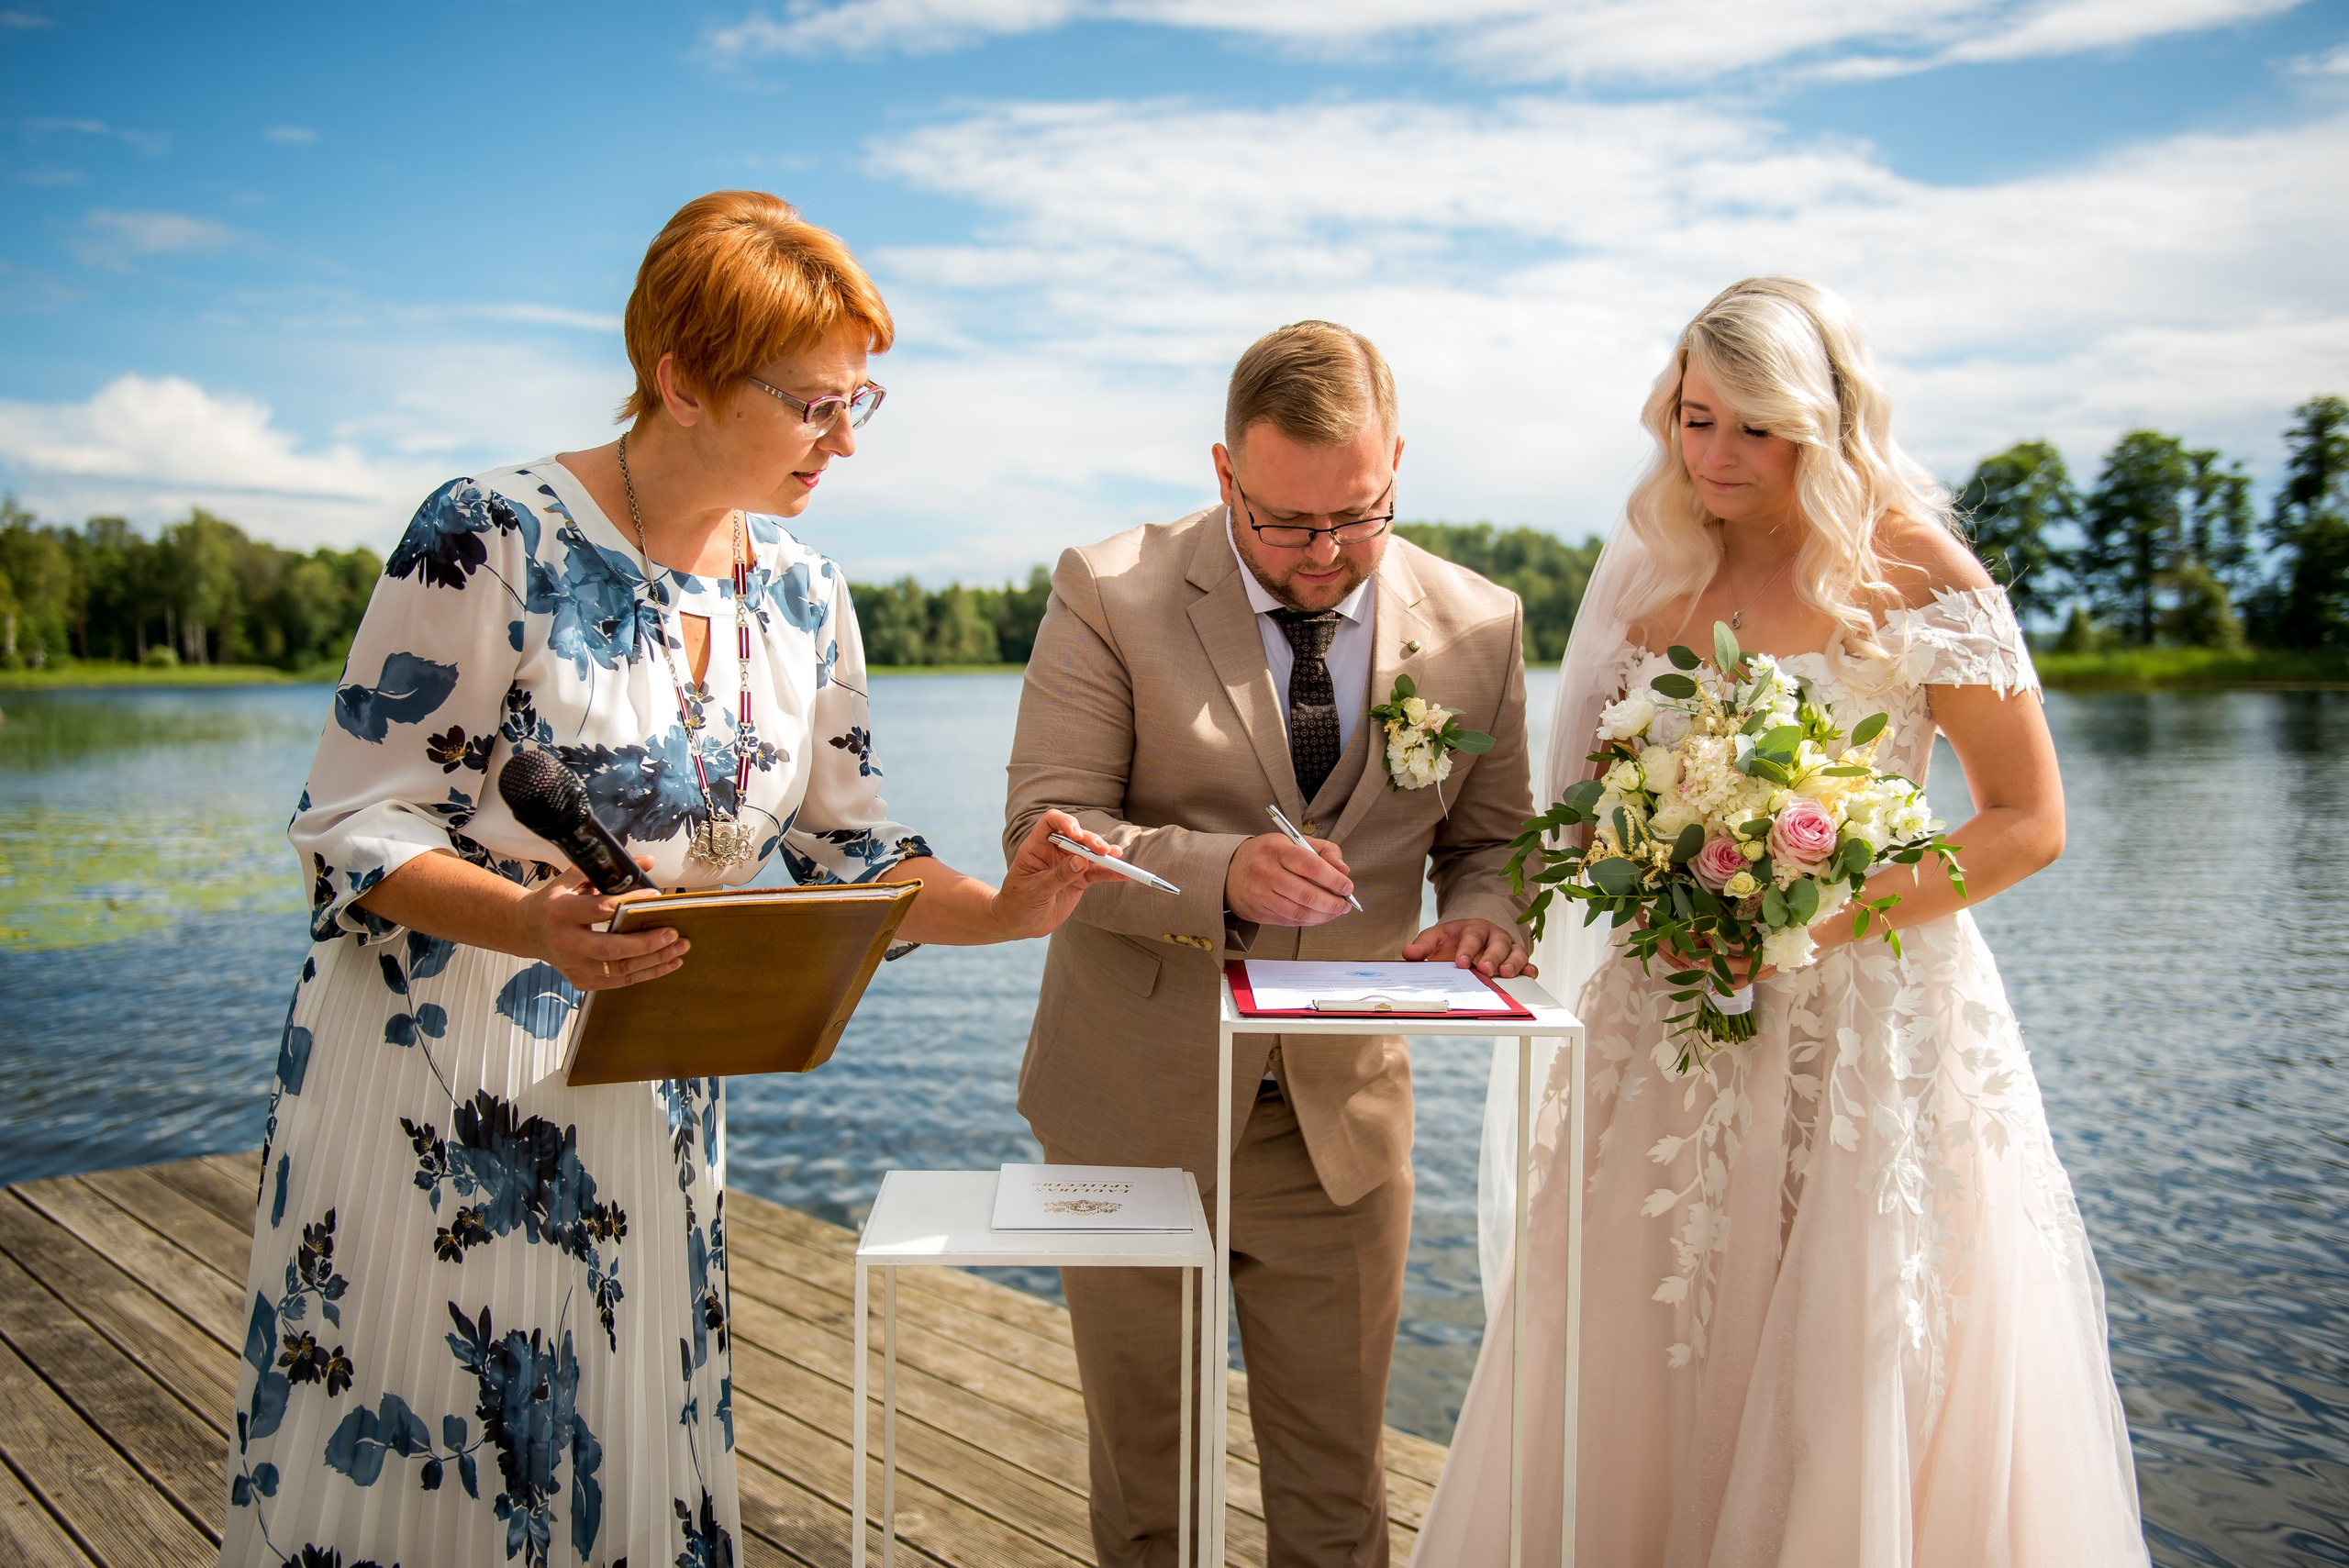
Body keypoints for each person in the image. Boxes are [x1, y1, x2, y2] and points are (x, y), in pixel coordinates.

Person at [220, 190, 1126, 1567]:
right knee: (439, 1458)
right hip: (442, 1088)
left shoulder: (807, 592)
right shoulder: (490, 532)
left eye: (858, 402)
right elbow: (355, 820)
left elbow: (850, 850)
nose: (843, 439)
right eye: (814, 403)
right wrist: (531, 919)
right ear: (682, 381)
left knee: (618, 1451)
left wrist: (1011, 905)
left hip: (651, 1089)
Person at [1414, 277, 2148, 1565]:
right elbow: (1586, 821)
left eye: (1756, 426)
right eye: (1697, 420)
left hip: (1871, 1026)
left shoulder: (1916, 569)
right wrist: (1514, 919)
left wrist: (1808, 911)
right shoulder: (1650, 574)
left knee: (1856, 1352)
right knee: (1650, 1342)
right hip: (1675, 1026)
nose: (1718, 456)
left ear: (1824, 421)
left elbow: (2028, 820)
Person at [1005, 319, 1537, 1566]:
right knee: (1150, 1500)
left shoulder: (1481, 624)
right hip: (1131, 1101)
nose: (1326, 556)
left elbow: (1499, 841)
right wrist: (1221, 875)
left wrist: (1490, 915)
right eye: (1286, 524)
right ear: (1221, 470)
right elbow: (1050, 828)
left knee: (1338, 1503)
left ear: (1396, 460)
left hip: (1341, 1124)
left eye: (1360, 515)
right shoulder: (1111, 586)